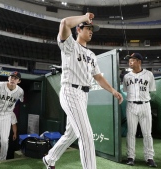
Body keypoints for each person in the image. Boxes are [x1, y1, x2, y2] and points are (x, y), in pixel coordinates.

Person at [42, 13, 123, 169]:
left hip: (83, 95)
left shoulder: (92, 55)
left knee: (71, 134)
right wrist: (85, 17)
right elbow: (64, 22)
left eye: (92, 29)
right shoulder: (70, 45)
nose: (91, 31)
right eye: (88, 28)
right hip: (70, 91)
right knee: (86, 135)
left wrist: (112, 90)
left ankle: (50, 158)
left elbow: (98, 77)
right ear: (78, 29)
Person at [123, 53, 157, 167]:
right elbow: (126, 89)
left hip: (145, 105)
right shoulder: (126, 76)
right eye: (129, 60)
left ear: (139, 61)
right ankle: (130, 157)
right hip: (131, 105)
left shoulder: (149, 74)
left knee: (147, 133)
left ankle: (149, 158)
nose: (130, 62)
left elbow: (151, 89)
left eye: (132, 60)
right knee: (131, 133)